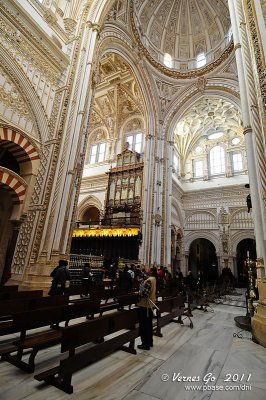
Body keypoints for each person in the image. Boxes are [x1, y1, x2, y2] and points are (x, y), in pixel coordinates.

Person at [137, 267, 157, 351]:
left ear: (151, 271)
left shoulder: (149, 280)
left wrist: (139, 292)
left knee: (144, 326)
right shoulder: (154, 279)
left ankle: (145, 344)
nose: (147, 270)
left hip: (145, 306)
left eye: (148, 270)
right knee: (149, 325)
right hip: (150, 305)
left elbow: (145, 294)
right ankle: (150, 342)